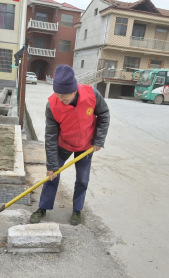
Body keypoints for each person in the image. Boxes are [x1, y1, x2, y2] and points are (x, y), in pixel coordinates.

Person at [30, 65, 110, 225]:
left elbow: (104, 114)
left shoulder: (92, 95)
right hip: (63, 144)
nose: (61, 99)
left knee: (82, 179)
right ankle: (43, 207)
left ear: (74, 90)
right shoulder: (52, 105)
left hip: (86, 146)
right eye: (58, 94)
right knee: (52, 175)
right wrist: (51, 164)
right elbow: (51, 136)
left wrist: (98, 140)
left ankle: (77, 210)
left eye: (64, 95)